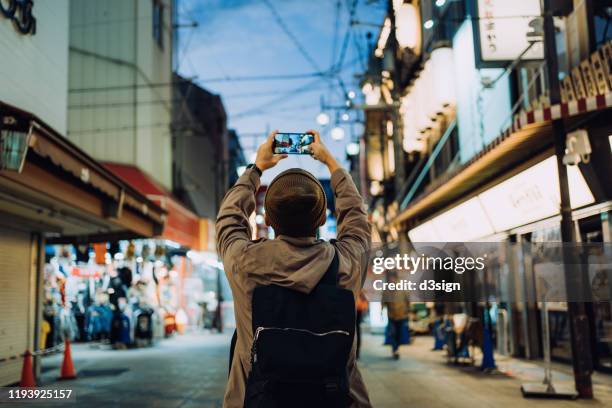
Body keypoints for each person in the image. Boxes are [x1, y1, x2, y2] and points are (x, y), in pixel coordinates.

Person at [216, 130, 372, 407]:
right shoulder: (346, 263)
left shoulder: (245, 262)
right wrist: (331, 163)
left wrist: (256, 168)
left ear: (270, 219)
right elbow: (356, 217)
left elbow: (229, 218)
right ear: (323, 217)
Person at [383, 280, 411, 360]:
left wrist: (408, 310)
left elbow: (407, 301)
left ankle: (396, 348)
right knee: (393, 332)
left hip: (401, 315)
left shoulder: (403, 291)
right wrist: (382, 310)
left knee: (399, 333)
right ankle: (395, 349)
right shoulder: (387, 290)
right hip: (391, 316)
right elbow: (383, 301)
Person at [355, 291, 368, 359]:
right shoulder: (360, 289)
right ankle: (357, 352)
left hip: (356, 308)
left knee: (356, 330)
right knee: (357, 330)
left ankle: (356, 352)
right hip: (357, 308)